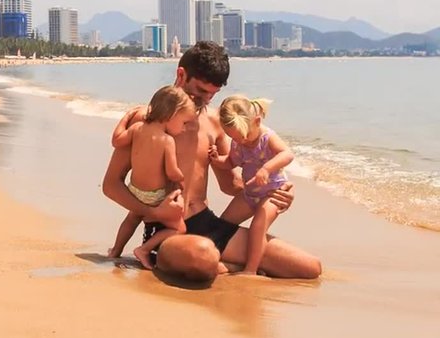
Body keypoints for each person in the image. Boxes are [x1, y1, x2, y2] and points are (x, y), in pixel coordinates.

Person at [102, 41, 321, 281]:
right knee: (204, 256)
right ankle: (222, 265)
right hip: (167, 230)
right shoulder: (147, 122)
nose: (205, 100)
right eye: (200, 91)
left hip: (208, 223)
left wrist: (273, 194)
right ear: (181, 75)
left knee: (308, 267)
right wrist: (152, 210)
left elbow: (230, 185)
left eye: (212, 94)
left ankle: (227, 265)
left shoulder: (215, 122)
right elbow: (111, 185)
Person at [110, 85, 197, 269]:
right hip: (154, 196)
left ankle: (116, 250)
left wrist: (126, 117)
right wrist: (182, 179)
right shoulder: (167, 141)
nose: (183, 129)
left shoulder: (137, 128)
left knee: (132, 218)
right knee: (178, 228)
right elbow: (172, 171)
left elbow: (116, 141)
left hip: (134, 191)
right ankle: (144, 249)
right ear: (171, 115)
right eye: (183, 123)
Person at [209, 95, 294, 275]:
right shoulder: (238, 142)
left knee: (258, 227)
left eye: (245, 136)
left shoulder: (267, 137)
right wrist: (217, 160)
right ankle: (226, 259)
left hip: (273, 193)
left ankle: (251, 270)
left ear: (256, 121)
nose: (243, 141)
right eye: (235, 138)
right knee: (222, 224)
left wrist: (266, 168)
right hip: (249, 194)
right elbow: (231, 162)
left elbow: (287, 154)